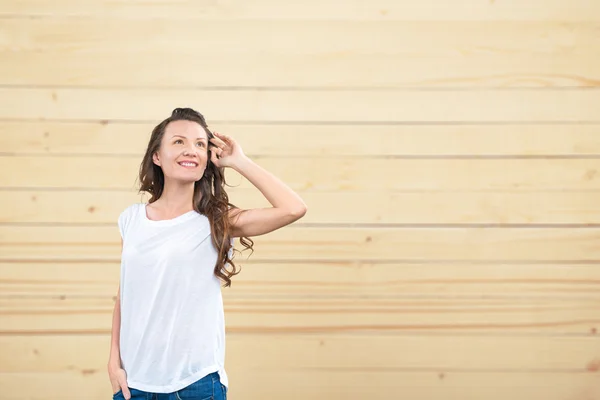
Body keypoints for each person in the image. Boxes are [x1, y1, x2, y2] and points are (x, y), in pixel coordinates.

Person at [107, 107, 307, 399]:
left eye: (200, 144)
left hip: (196, 385)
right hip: (133, 386)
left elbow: (293, 208)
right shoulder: (131, 219)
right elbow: (126, 293)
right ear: (157, 156)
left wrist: (239, 161)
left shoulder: (217, 220)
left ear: (206, 160)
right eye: (179, 142)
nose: (191, 150)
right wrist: (114, 361)